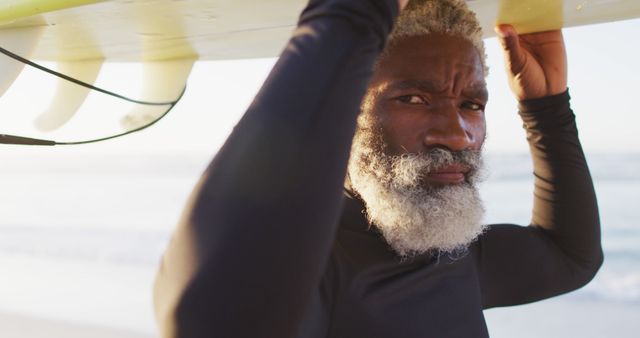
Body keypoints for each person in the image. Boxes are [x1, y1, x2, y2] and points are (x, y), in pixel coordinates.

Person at [153, 0, 603, 337]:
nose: (457, 133)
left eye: (472, 104)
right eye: (412, 98)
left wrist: (547, 110)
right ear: (342, 107)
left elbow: (571, 258)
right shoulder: (317, 273)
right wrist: (351, 17)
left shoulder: (454, 255)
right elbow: (204, 315)